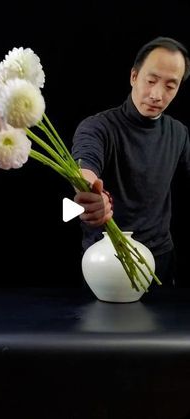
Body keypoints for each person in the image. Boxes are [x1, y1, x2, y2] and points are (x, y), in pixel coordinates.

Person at [71, 36, 190, 287]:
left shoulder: (179, 133)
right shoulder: (98, 127)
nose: (157, 94)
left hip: (161, 257)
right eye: (151, 80)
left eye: (170, 86)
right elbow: (85, 166)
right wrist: (92, 193)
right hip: (106, 258)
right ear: (134, 77)